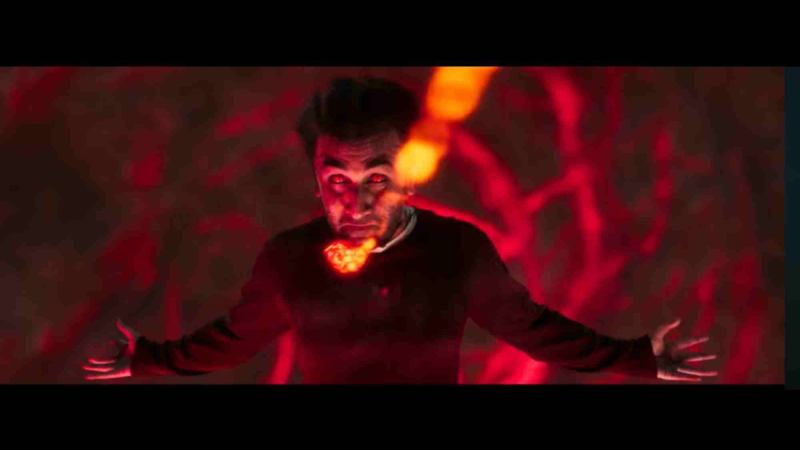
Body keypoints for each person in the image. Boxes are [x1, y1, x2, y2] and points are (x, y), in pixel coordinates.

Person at [83, 77, 717, 383]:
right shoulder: (288, 260)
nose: (355, 200)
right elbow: (232, 341)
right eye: (337, 178)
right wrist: (147, 358)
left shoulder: (457, 252)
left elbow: (534, 330)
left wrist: (639, 357)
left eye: (376, 178)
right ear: (316, 179)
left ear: (407, 178)